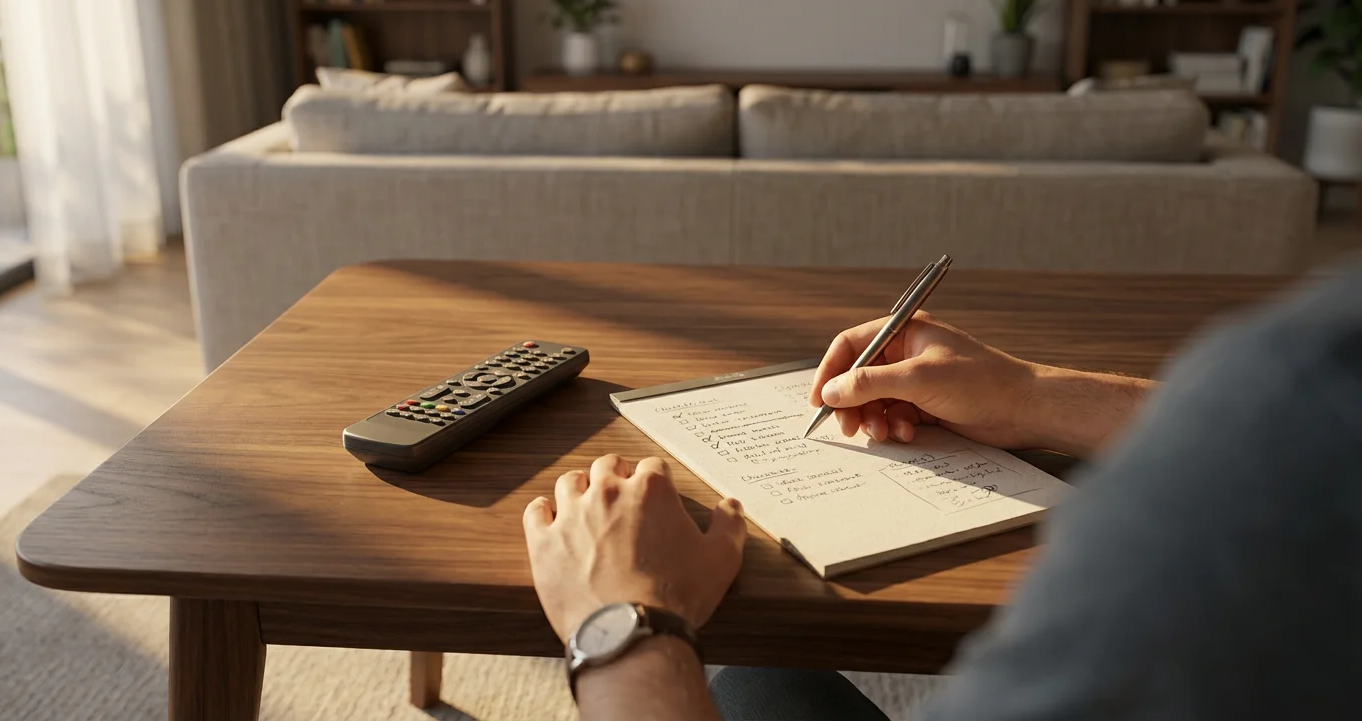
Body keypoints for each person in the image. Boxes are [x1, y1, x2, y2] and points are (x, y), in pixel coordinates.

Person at [522, 267, 1362, 720]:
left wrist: (625, 632)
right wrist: (1032, 396)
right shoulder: (1298, 390)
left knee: (728, 663)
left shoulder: (1295, 392)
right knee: (753, 661)